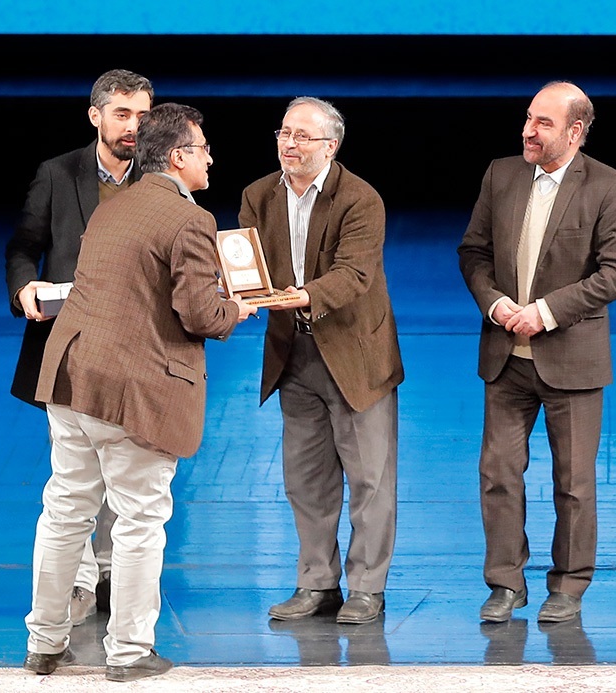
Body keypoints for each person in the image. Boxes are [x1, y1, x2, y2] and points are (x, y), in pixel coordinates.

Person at [24, 103, 258, 680]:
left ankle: (45, 643)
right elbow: (199, 314)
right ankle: (128, 653)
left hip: (71, 378)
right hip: (133, 390)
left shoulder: (114, 206)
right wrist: (237, 309)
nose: (210, 159)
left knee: (65, 512)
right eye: (203, 149)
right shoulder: (190, 219)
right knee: (139, 519)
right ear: (178, 157)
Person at [456, 82, 616, 624]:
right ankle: (505, 584)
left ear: (575, 132)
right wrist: (495, 303)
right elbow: (473, 252)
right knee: (498, 475)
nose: (528, 131)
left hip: (572, 361)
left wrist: (546, 312)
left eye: (543, 123)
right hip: (505, 358)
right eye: (528, 118)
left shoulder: (609, 186)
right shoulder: (500, 174)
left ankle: (569, 585)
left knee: (574, 484)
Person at [240, 97, 404, 625]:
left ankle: (367, 589)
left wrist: (302, 296)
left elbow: (354, 274)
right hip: (294, 354)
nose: (289, 144)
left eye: (302, 136)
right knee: (306, 479)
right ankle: (317, 583)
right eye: (284, 133)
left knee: (369, 479)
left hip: (356, 355)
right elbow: (247, 266)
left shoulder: (360, 199)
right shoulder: (257, 195)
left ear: (330, 146)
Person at [5, 68, 155, 623]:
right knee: (74, 474)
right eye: (122, 113)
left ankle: (113, 573)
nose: (133, 126)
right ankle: (79, 580)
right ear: (95, 116)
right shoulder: (57, 173)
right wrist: (24, 286)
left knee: (129, 469)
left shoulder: (162, 177)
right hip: (70, 347)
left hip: (140, 348)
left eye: (143, 115)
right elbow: (24, 246)